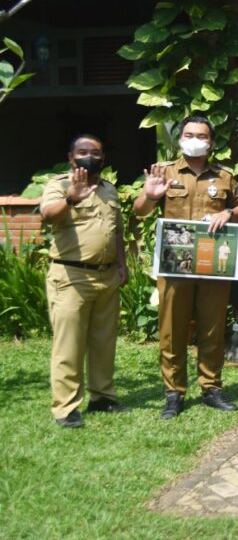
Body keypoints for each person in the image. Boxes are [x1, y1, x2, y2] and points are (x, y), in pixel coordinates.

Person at [134, 115, 238, 419]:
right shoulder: (165, 172)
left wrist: (228, 213)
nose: (195, 139)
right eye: (189, 134)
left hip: (212, 266)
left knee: (212, 327)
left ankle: (211, 388)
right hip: (176, 265)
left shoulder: (224, 176)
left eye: (201, 135)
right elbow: (140, 211)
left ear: (211, 142)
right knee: (173, 329)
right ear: (180, 138)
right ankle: (174, 392)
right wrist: (149, 194)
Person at [41, 134, 129, 428]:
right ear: (71, 157)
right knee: (69, 344)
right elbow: (48, 215)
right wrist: (72, 198)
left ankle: (102, 396)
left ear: (103, 159)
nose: (89, 156)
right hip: (70, 276)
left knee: (104, 342)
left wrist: (122, 264)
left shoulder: (108, 189)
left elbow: (116, 231)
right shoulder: (59, 185)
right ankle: (66, 407)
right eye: (83, 152)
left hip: (106, 275)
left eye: (96, 152)